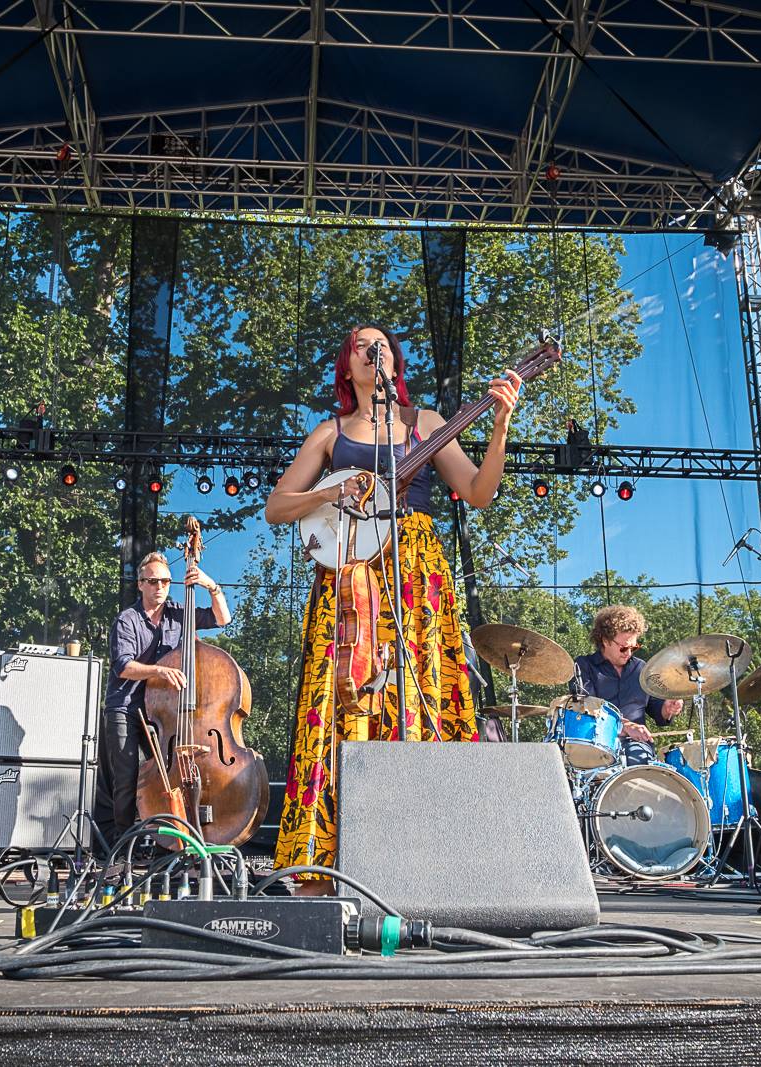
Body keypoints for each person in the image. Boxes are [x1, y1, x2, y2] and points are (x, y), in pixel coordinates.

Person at [263, 324, 522, 892]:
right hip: (350, 574)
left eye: (379, 344)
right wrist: (331, 493)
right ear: (345, 364)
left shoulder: (422, 424)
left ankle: (426, 854)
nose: (369, 350)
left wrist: (499, 425)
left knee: (422, 689)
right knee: (342, 701)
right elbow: (277, 507)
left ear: (392, 363)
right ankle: (322, 864)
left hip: (416, 572)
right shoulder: (330, 433)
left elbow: (478, 493)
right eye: (359, 343)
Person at [99, 550, 231, 844]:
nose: (160, 587)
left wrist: (211, 586)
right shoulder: (127, 620)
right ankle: (123, 845)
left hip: (163, 712)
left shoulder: (178, 613)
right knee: (127, 777)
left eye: (165, 582)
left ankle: (171, 840)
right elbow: (123, 666)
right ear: (141, 584)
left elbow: (223, 619)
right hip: (127, 708)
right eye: (153, 581)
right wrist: (160, 671)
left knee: (169, 773)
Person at [570, 605, 683, 766]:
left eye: (633, 647)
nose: (628, 653)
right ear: (605, 640)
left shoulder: (642, 668)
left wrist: (668, 708)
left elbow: (657, 709)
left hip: (637, 748)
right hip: (596, 745)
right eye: (623, 648)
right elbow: (586, 707)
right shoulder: (584, 666)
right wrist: (624, 726)